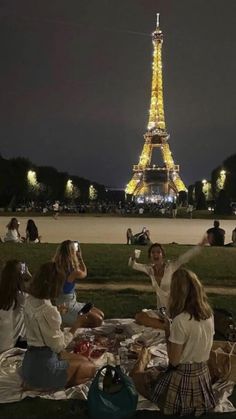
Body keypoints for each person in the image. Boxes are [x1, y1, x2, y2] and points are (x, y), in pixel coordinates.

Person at [131, 268, 216, 416]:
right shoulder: (208, 314)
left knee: (136, 377)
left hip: (183, 381)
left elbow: (174, 362)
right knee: (155, 371)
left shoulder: (181, 320)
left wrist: (168, 329)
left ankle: (143, 361)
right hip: (202, 376)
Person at [22, 262, 96, 390]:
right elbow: (59, 346)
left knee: (84, 360)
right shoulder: (49, 310)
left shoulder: (29, 299)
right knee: (91, 369)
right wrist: (76, 325)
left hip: (30, 363)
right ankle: (47, 385)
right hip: (45, 367)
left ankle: (38, 382)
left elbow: (40, 319)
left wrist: (57, 311)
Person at [128, 237, 207, 329]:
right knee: (139, 317)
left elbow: (185, 257)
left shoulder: (170, 267)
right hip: (162, 311)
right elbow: (132, 265)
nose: (155, 254)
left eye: (158, 252)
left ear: (163, 255)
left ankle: (168, 325)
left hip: (175, 310)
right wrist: (132, 257)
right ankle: (167, 326)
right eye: (153, 252)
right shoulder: (149, 269)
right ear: (150, 256)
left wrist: (200, 245)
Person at [53, 240, 104, 328]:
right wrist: (80, 257)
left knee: (100, 314)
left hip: (67, 303)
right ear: (72, 252)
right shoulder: (73, 271)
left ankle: (71, 321)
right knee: (98, 320)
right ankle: (71, 323)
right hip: (67, 307)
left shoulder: (54, 267)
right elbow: (84, 273)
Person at [0, 260, 31, 353]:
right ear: (19, 277)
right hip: (11, 351)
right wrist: (28, 275)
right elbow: (40, 294)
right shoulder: (22, 298)